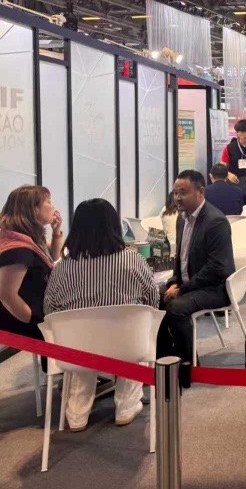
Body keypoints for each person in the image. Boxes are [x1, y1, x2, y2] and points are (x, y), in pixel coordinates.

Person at [44, 198, 158, 431]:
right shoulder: (133, 260)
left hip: (76, 350)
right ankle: (126, 406)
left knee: (80, 346)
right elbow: (152, 301)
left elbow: (50, 310)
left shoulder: (61, 268)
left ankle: (77, 414)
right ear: (114, 226)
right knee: (134, 335)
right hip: (128, 345)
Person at [157, 170, 236, 363]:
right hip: (187, 283)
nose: (177, 198)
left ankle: (189, 365)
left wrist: (182, 289)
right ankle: (167, 359)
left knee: (176, 308)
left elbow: (217, 269)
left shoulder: (215, 221)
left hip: (215, 288)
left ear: (200, 192)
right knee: (151, 298)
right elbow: (182, 259)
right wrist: (175, 283)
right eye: (175, 193)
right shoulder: (181, 218)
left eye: (183, 193)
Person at [0, 185, 63, 340]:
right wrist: (34, 320)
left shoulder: (27, 237)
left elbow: (53, 256)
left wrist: (56, 232)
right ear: (34, 210)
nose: (53, 207)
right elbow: (6, 294)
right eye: (48, 201)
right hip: (21, 326)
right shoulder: (17, 248)